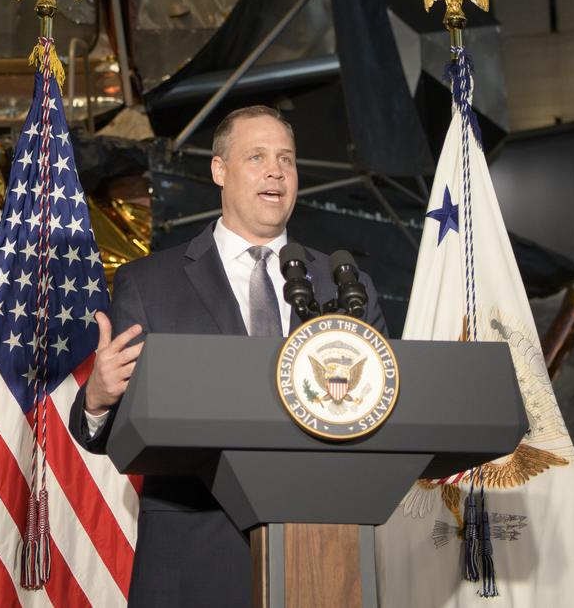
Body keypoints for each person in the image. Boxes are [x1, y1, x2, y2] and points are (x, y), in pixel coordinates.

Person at [69, 105, 387, 608]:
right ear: (219, 170)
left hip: (324, 557)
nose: (275, 171)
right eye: (257, 156)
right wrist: (99, 399)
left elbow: (381, 415)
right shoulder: (149, 283)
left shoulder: (344, 286)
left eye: (286, 159)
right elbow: (112, 437)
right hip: (195, 558)